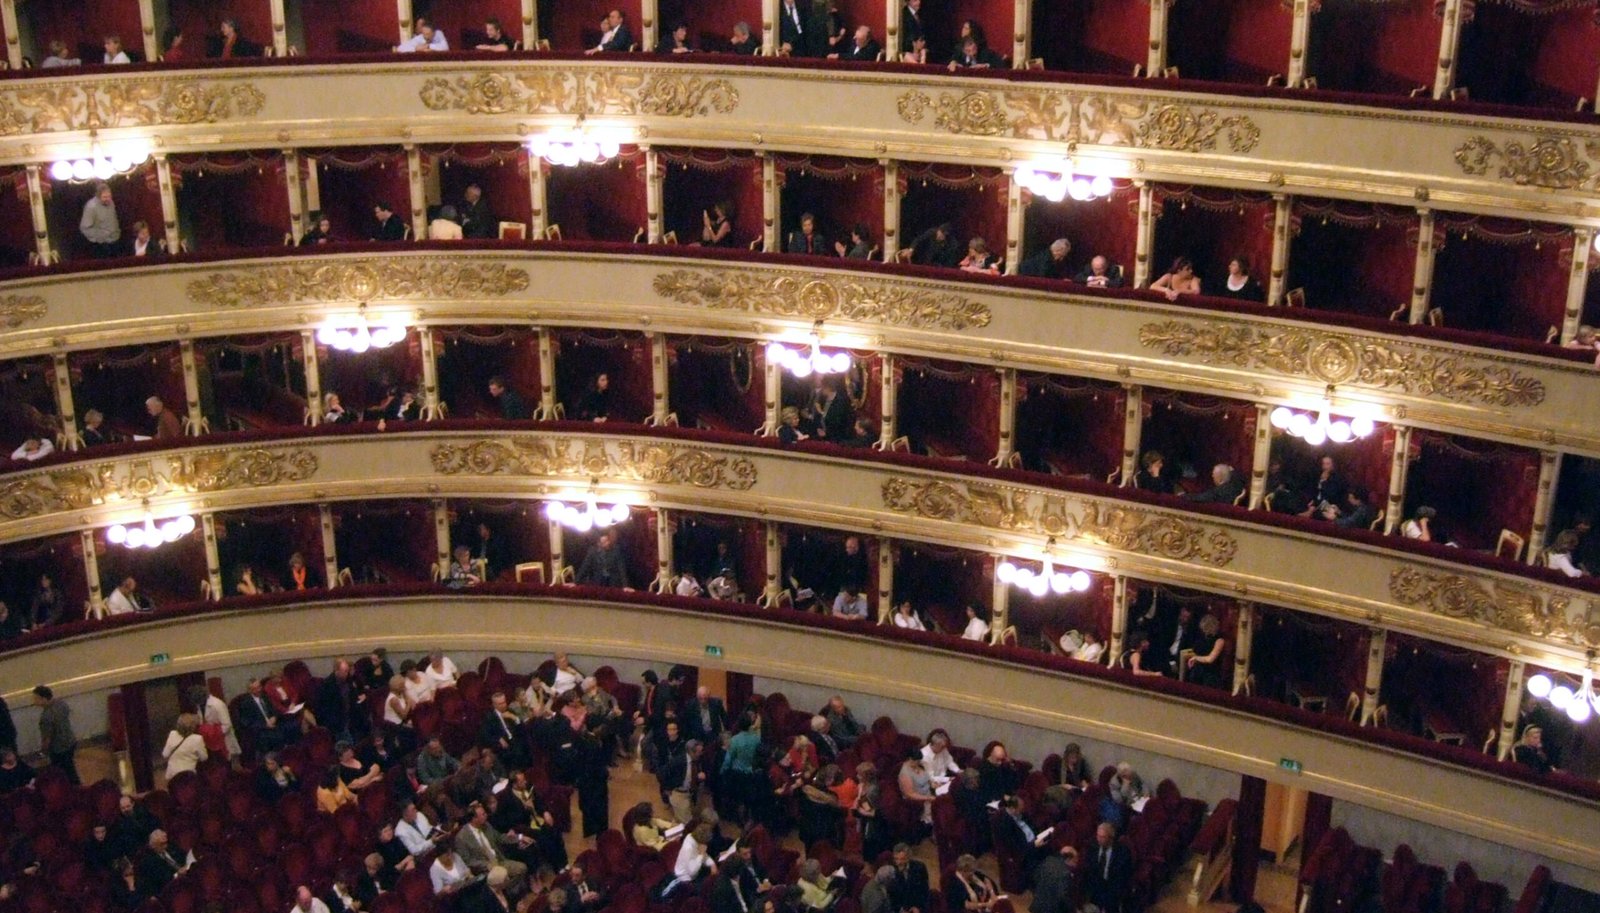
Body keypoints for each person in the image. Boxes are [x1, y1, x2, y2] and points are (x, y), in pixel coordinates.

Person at [1084, 822, 1133, 913]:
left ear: (1111, 838)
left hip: (1113, 888)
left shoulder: (1122, 852)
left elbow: (1123, 877)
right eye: (1098, 836)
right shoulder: (1092, 847)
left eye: (1102, 837)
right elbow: (1089, 870)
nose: (1098, 839)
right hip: (1095, 887)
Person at [34, 684, 78, 784]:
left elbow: (47, 739)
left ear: (44, 699)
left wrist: (43, 752)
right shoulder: (61, 703)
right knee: (70, 767)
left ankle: (71, 789)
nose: (34, 702)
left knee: (63, 772)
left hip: (59, 748)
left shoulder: (46, 717)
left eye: (36, 699)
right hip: (70, 740)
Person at [1030, 845, 1080, 913]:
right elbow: (1063, 897)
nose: (1075, 865)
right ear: (1068, 859)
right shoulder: (1065, 874)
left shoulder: (1048, 860)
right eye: (1074, 861)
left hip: (1038, 904)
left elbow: (1035, 877)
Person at [80, 182, 121, 258]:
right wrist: (100, 236)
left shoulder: (111, 203)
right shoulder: (91, 207)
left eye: (109, 196)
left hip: (114, 241)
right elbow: (85, 228)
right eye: (105, 197)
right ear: (98, 197)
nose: (108, 199)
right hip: (100, 246)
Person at [1185, 614, 1227, 688]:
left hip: (1211, 675)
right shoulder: (1200, 639)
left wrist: (1196, 658)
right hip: (1197, 671)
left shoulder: (1220, 641)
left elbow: (1210, 659)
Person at [890, 844, 931, 913]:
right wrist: (900, 909)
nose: (899, 862)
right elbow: (891, 895)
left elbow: (925, 891)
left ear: (908, 858)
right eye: (896, 859)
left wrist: (919, 908)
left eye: (902, 859)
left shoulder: (920, 868)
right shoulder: (891, 871)